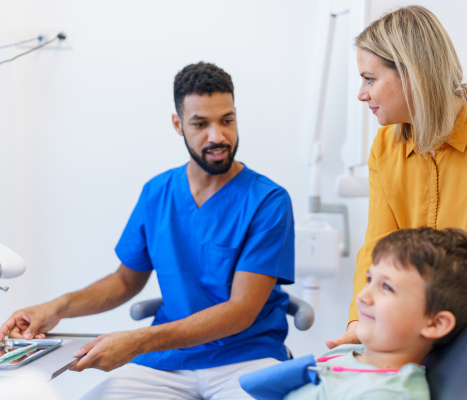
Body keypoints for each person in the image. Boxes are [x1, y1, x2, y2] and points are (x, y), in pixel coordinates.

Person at [0, 61, 295, 399]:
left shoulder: (268, 200)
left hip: (245, 359)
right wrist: (55, 308)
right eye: (200, 124)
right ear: (178, 124)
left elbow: (241, 312)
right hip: (168, 362)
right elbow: (125, 280)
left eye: (226, 120)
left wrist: (137, 341)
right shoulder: (158, 193)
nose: (218, 136)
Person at [327, 5, 467, 349]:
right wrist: (361, 322)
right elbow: (379, 246)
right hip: (414, 340)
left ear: (412, 74)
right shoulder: (385, 147)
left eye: (370, 79)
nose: (362, 93)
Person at [244, 227, 467, 400]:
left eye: (387, 287)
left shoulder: (387, 393)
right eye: (370, 279)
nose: (363, 296)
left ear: (435, 324)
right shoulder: (351, 353)